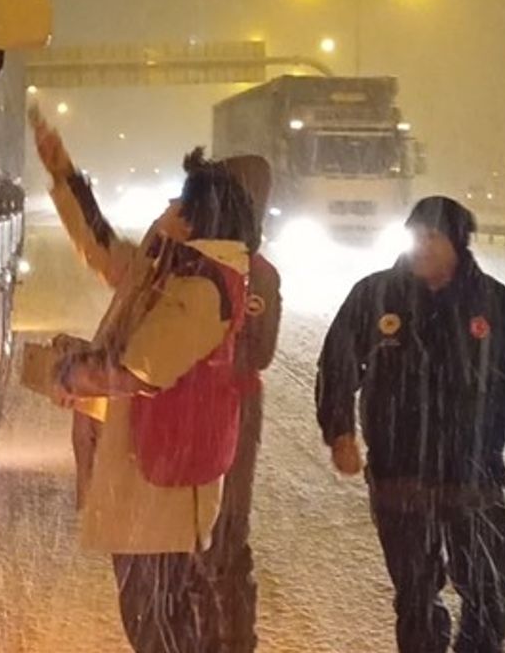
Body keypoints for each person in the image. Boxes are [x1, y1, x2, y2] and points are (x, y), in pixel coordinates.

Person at [34, 113, 263, 653]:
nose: (165, 208)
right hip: (144, 474)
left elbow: (136, 370)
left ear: (194, 216)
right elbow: (104, 249)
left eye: (175, 201)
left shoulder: (201, 289)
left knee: (156, 623)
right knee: (153, 616)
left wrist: (68, 372)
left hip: (160, 485)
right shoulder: (171, 268)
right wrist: (66, 175)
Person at [315, 196, 505, 653]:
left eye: (432, 236)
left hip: (472, 476)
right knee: (416, 598)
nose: (421, 246)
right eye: (415, 235)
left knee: (489, 594)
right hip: (399, 476)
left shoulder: (493, 303)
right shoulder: (376, 296)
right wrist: (339, 431)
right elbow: (337, 366)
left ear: (457, 243)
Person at [200, 158, 281, 653]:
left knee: (225, 530)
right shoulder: (188, 260)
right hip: (190, 411)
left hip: (231, 408)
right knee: (192, 531)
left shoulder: (256, 275)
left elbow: (260, 350)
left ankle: (230, 638)